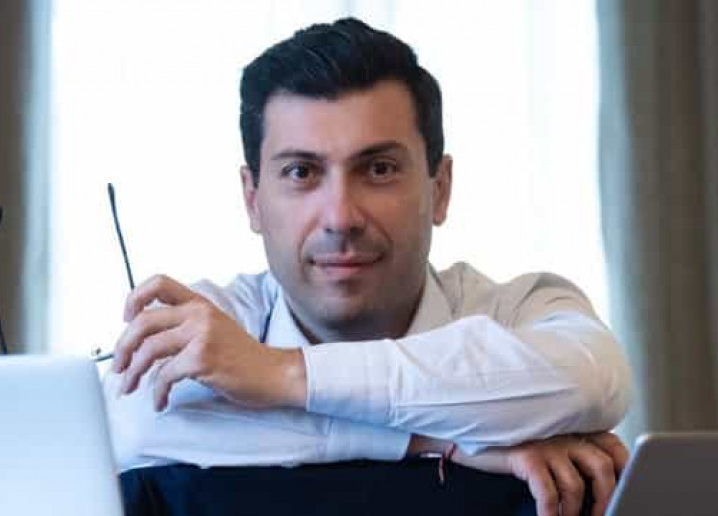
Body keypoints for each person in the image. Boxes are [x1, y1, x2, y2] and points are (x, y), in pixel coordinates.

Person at [104, 17, 631, 516]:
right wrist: (442, 438)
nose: (340, 218)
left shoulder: (520, 309)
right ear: (252, 200)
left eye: (378, 169)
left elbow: (593, 380)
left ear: (440, 189)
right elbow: (134, 424)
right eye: (301, 172)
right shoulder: (215, 322)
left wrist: (277, 373)